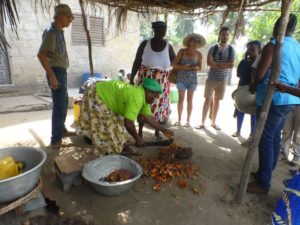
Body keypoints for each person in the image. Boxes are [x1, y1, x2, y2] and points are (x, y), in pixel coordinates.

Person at [247, 14, 300, 194]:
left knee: (265, 138)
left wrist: (253, 86)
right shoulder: (297, 47)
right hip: (290, 100)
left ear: (279, 26)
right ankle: (266, 172)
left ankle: (263, 183)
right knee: (275, 136)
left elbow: (260, 74)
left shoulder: (274, 45)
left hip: (274, 98)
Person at [76, 78, 174, 155]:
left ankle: (122, 146)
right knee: (107, 126)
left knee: (118, 125)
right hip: (97, 94)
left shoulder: (145, 99)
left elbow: (149, 117)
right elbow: (128, 123)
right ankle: (110, 148)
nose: (155, 99)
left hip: (105, 93)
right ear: (149, 92)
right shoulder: (137, 97)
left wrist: (163, 129)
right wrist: (138, 139)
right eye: (155, 96)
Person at [130, 21, 176, 139]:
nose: (161, 31)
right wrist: (131, 79)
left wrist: (173, 73)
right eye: (158, 29)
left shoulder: (168, 46)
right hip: (145, 81)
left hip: (161, 84)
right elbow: (136, 62)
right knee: (142, 105)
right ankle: (139, 132)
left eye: (163, 29)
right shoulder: (145, 44)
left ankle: (157, 131)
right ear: (154, 30)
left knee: (158, 108)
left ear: (165, 31)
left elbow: (175, 62)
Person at [37, 4, 74, 146]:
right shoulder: (51, 33)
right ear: (61, 16)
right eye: (69, 17)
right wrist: (52, 76)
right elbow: (41, 55)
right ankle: (55, 140)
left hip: (61, 72)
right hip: (56, 72)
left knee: (63, 103)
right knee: (59, 105)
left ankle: (61, 130)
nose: (70, 20)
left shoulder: (59, 32)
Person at [195, 27, 235, 130]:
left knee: (217, 101)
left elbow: (231, 64)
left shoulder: (231, 49)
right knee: (207, 99)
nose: (225, 36)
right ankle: (202, 123)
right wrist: (221, 66)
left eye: (227, 34)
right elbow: (208, 62)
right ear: (220, 35)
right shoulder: (213, 47)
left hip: (223, 79)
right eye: (223, 34)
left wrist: (216, 64)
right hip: (211, 78)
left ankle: (213, 122)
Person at [172, 33, 205, 127]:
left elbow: (200, 67)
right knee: (181, 99)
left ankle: (188, 121)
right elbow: (174, 65)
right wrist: (184, 67)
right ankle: (179, 120)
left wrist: (194, 67)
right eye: (194, 40)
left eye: (197, 41)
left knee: (190, 100)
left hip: (192, 80)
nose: (195, 43)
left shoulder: (199, 54)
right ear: (189, 41)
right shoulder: (182, 51)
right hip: (181, 78)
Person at [232, 41, 261, 143]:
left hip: (254, 92)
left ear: (259, 50)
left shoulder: (261, 63)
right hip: (242, 90)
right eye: (249, 49)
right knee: (240, 110)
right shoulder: (243, 62)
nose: (250, 51)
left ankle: (252, 135)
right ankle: (238, 130)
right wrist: (239, 90)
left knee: (253, 113)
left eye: (253, 49)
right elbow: (239, 76)